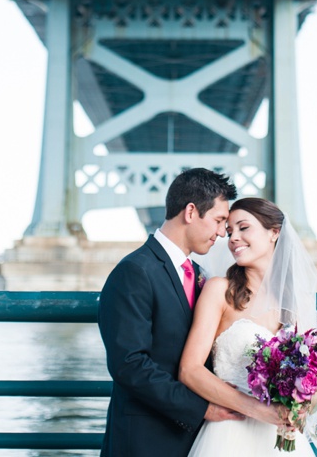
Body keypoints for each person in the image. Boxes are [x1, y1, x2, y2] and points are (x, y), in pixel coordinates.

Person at [99, 168, 282, 457]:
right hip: (147, 439)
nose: (223, 233)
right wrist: (202, 408)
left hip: (204, 438)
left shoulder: (200, 276)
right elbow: (129, 364)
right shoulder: (134, 271)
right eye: (220, 221)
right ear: (191, 212)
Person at [179, 197, 317, 457]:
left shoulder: (295, 300)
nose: (233, 238)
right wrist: (257, 409)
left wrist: (302, 405)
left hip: (283, 439)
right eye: (230, 231)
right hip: (230, 436)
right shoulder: (219, 290)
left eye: (243, 228)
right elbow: (189, 370)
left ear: (274, 233)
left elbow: (316, 378)